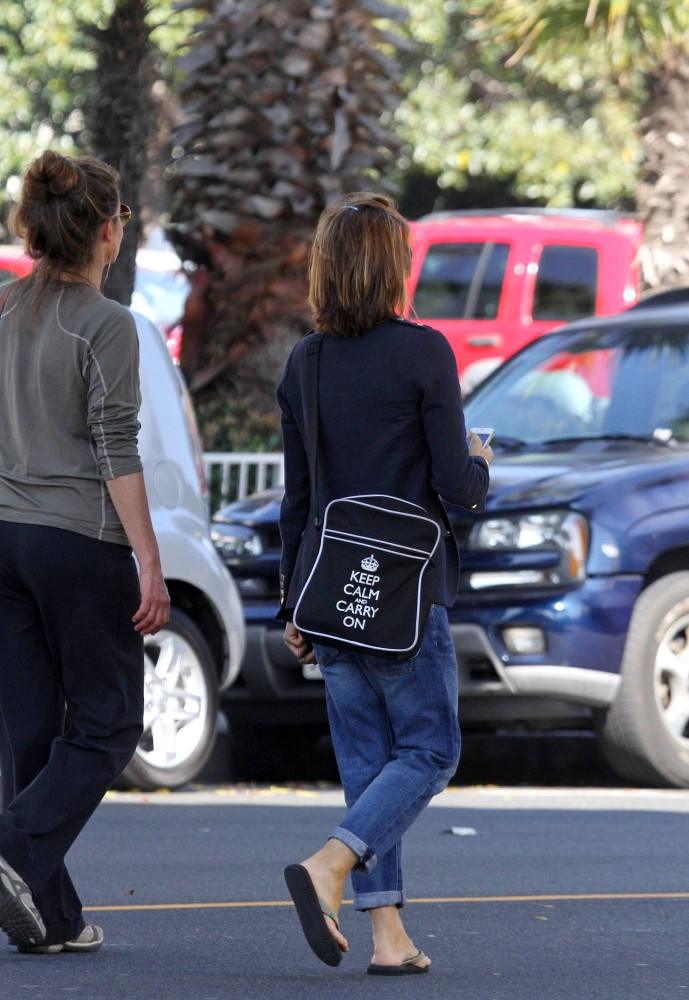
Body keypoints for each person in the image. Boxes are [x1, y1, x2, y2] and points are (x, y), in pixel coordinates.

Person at [277, 192, 493, 975]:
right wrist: (482, 463)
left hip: (329, 599)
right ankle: (330, 864)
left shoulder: (306, 362)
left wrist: (288, 601)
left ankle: (387, 937)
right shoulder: (423, 351)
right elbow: (456, 486)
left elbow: (298, 502)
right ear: (392, 266)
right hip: (404, 596)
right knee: (431, 750)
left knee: (370, 771)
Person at [0, 151, 170, 955]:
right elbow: (115, 447)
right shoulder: (109, 324)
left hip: (3, 542)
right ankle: (13, 845)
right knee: (108, 724)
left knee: (31, 731)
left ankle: (53, 919)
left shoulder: (0, 308)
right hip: (77, 541)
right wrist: (149, 559)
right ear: (107, 232)